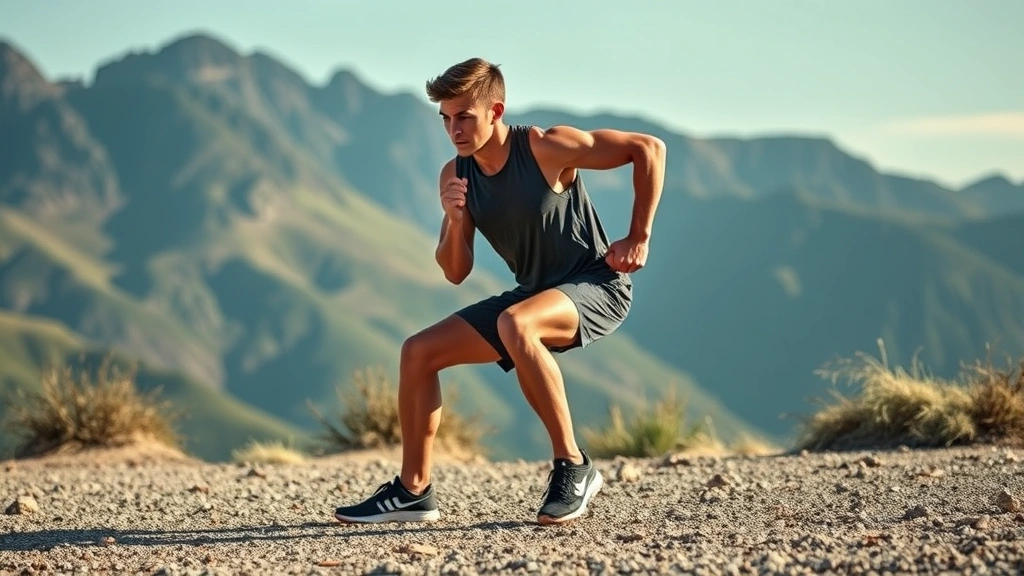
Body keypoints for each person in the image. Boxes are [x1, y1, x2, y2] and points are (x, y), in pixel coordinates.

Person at [333, 57, 665, 526]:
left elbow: (648, 149)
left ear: (495, 111)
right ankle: (413, 490)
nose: (454, 129)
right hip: (532, 294)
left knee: (516, 323)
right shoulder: (456, 174)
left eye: (464, 116)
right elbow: (455, 271)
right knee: (418, 352)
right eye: (446, 118)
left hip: (596, 283)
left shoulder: (548, 147)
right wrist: (453, 220)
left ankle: (574, 465)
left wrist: (639, 236)